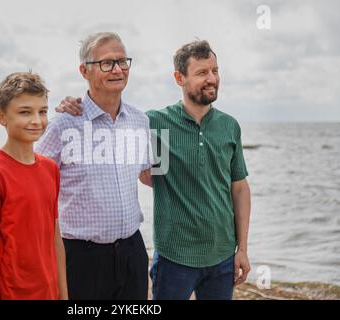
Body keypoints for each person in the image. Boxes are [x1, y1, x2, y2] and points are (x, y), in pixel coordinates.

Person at [56, 40, 251, 300]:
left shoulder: (230, 126)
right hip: (174, 257)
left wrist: (242, 249)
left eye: (215, 71)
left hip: (223, 255)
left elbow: (239, 188)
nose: (212, 78)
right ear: (179, 78)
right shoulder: (154, 122)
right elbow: (133, 156)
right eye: (202, 73)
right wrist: (71, 105)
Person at [34, 32, 151, 299]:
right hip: (82, 256)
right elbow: (33, 182)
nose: (118, 69)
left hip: (132, 250)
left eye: (123, 62)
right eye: (107, 63)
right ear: (84, 71)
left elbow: (147, 174)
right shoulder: (64, 123)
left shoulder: (139, 120)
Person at [0, 72, 68, 300]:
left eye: (42, 111)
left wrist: (63, 294)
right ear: (1, 117)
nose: (36, 120)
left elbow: (55, 239)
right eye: (25, 112)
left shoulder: (51, 169)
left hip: (49, 292)